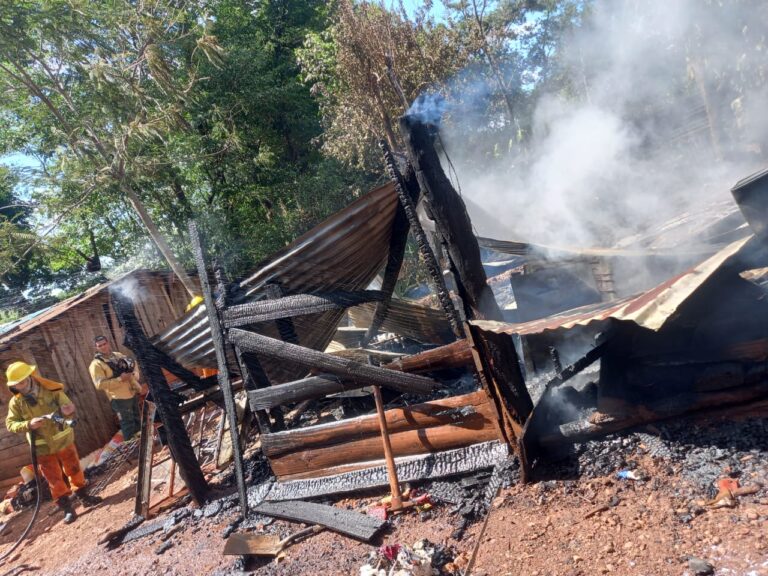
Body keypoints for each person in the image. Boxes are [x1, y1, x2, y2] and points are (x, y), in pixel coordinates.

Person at [5, 361, 102, 524]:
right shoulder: (16, 403)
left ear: (29, 377)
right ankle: (68, 509)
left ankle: (84, 497)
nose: (20, 387)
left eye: (21, 382)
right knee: (54, 480)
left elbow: (67, 409)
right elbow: (11, 424)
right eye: (16, 384)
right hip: (42, 448)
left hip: (63, 439)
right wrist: (28, 424)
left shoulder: (51, 390)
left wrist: (68, 411)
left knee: (74, 469)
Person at [89, 335, 142, 441]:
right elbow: (99, 385)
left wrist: (134, 374)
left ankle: (143, 446)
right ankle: (132, 451)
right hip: (118, 398)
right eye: (100, 346)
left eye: (104, 344)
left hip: (131, 392)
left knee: (137, 421)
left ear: (108, 343)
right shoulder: (96, 365)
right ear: (96, 348)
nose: (103, 347)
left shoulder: (118, 355)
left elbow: (132, 363)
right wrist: (119, 379)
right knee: (128, 425)